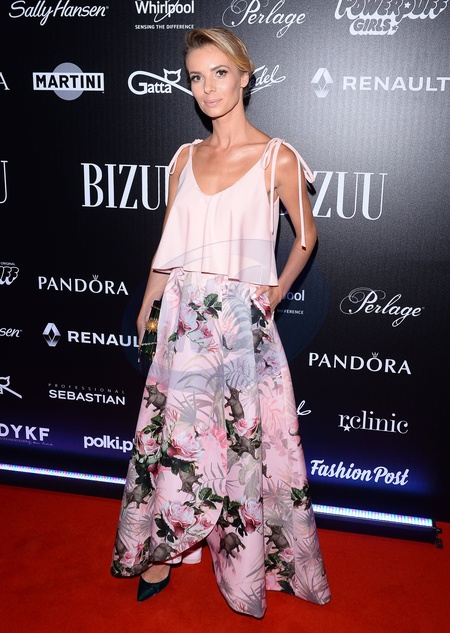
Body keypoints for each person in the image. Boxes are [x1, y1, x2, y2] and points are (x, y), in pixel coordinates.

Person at [111, 27, 331, 618]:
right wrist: (149, 302)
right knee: (177, 439)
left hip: (238, 326)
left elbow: (306, 236)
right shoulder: (184, 158)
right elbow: (169, 243)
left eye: (220, 73)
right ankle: (164, 547)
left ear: (244, 77)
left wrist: (274, 292)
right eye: (196, 77)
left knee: (239, 446)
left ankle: (243, 564)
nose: (208, 88)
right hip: (182, 320)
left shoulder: (278, 157)